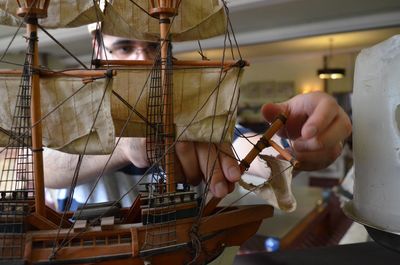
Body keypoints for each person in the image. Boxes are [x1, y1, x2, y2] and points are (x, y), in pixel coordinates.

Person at [44, 30, 352, 210]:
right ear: (97, 49)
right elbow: (23, 163)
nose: (144, 61)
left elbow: (243, 147)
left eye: (154, 46)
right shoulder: (65, 114)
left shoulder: (193, 115)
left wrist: (291, 145)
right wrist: (123, 146)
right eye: (124, 46)